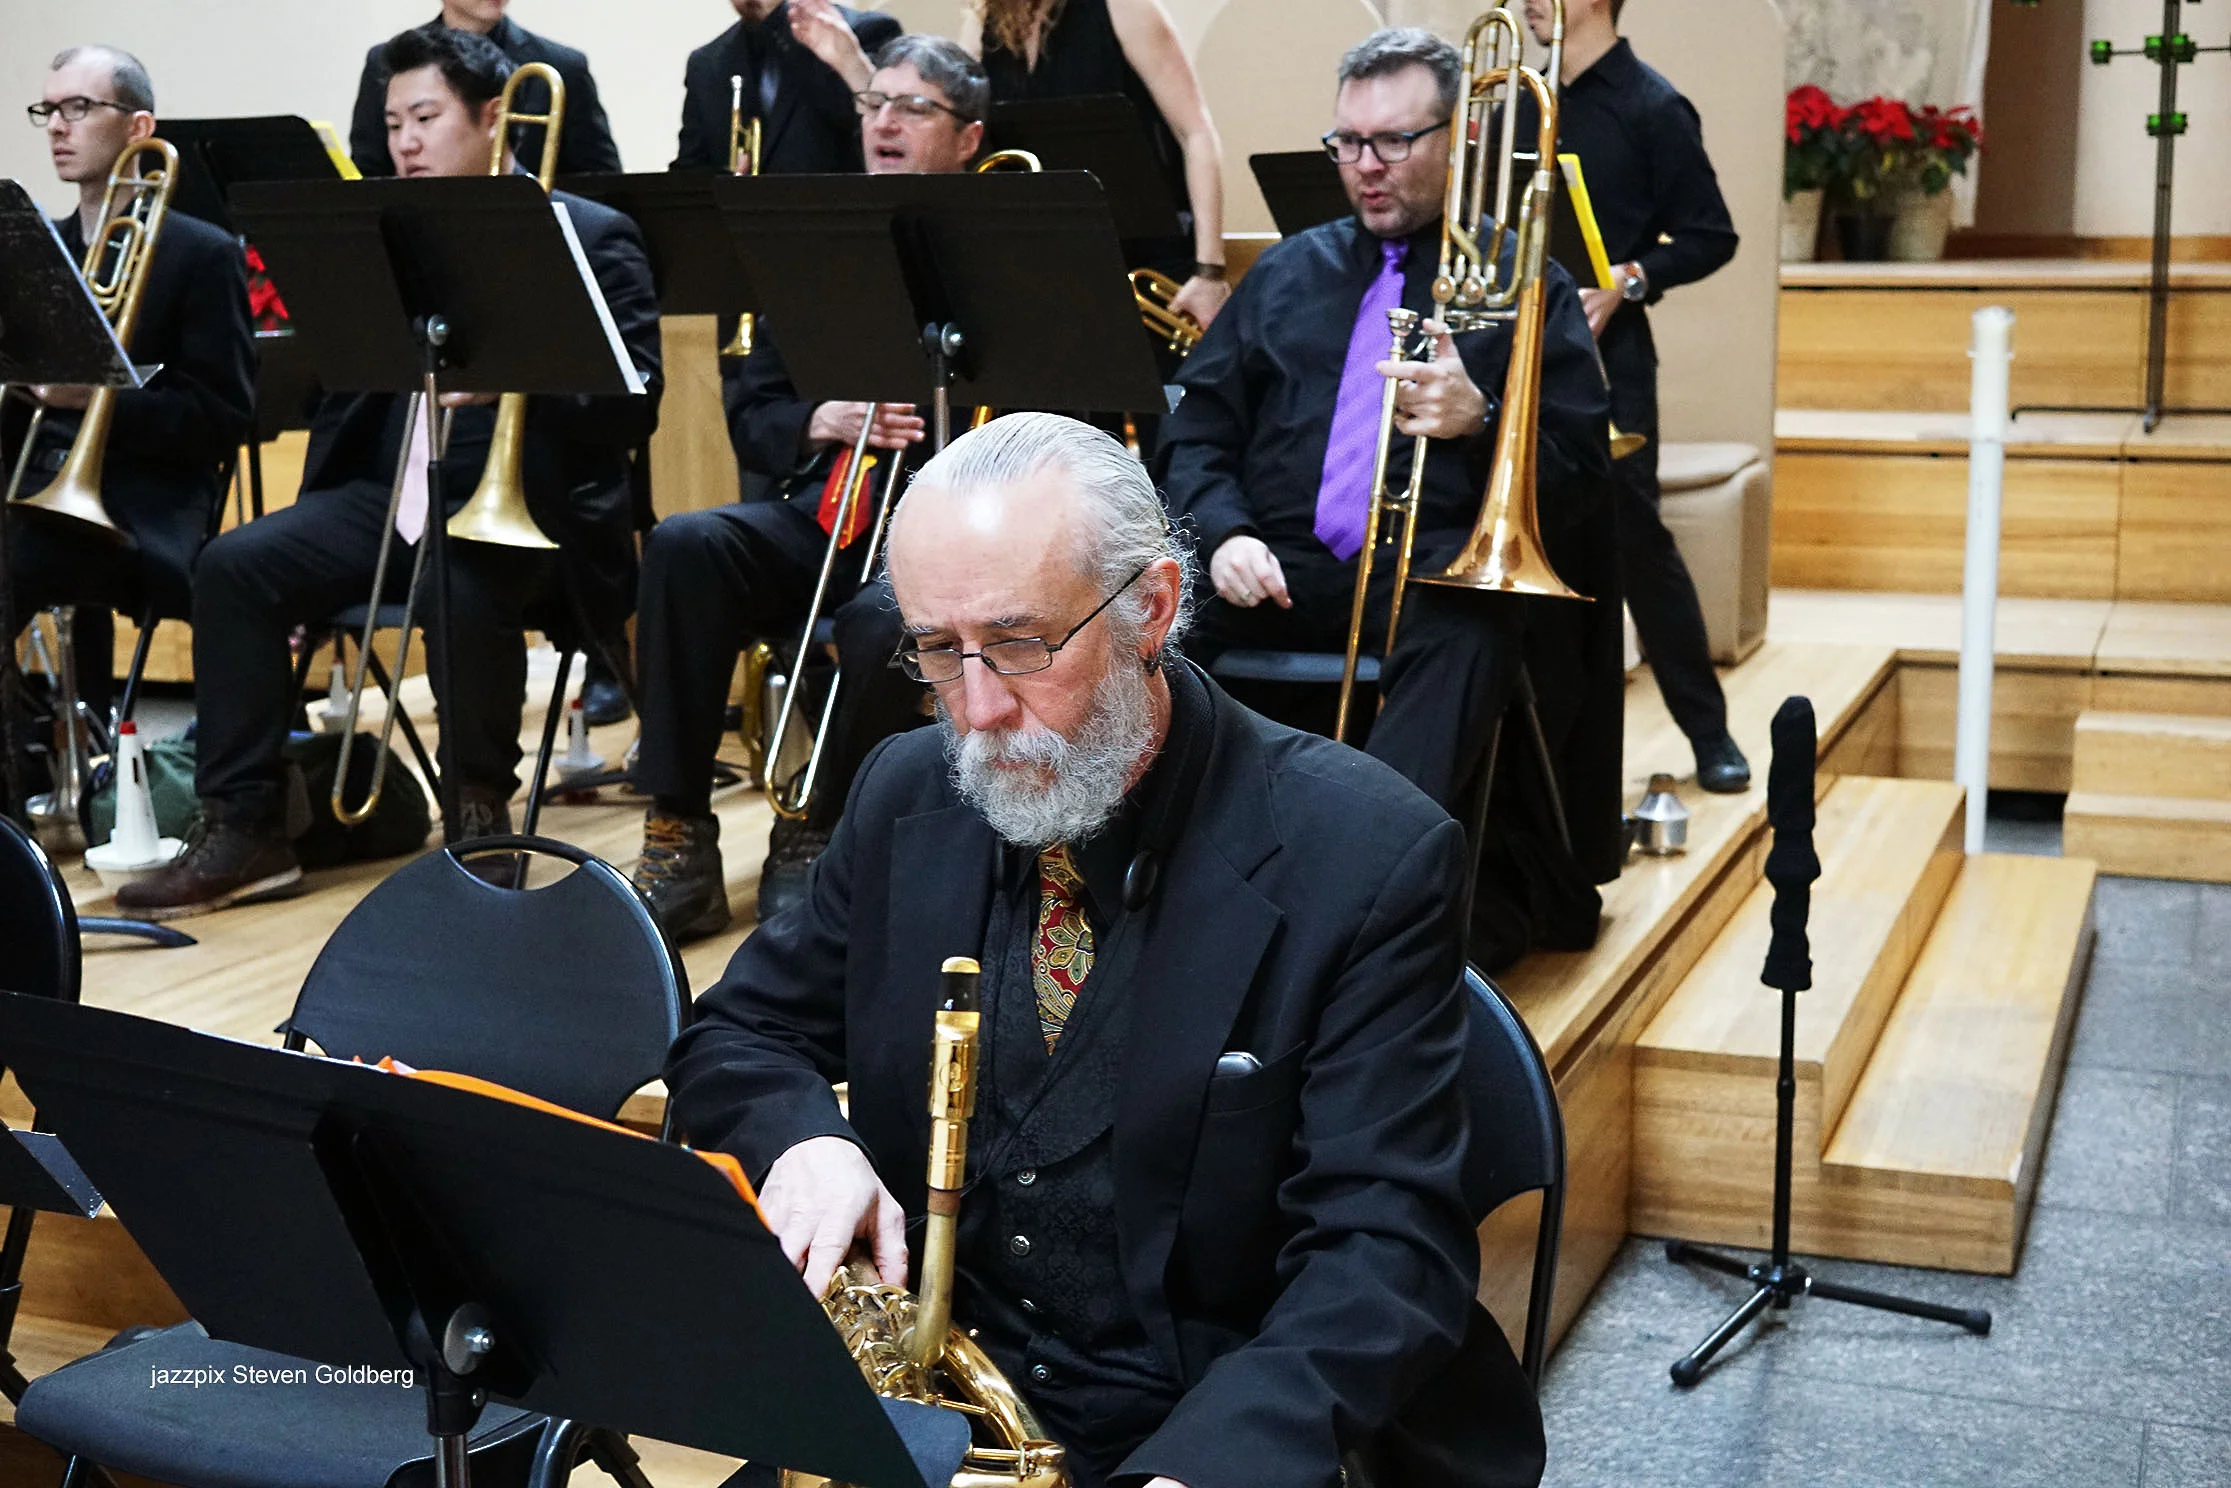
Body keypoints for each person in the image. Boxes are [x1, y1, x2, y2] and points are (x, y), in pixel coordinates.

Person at [665, 411, 1544, 1488]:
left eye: (1023, 644)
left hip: (1224, 1417)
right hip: (941, 1400)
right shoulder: (905, 787)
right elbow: (736, 1033)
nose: (978, 709)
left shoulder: (1368, 853)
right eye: (939, 651)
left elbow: (1380, 1255)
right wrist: (808, 1142)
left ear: (1152, 609)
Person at [117, 26, 662, 920]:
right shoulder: (381, 237)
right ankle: (244, 827)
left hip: (535, 511)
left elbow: (634, 404)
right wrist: (303, 533)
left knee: (460, 573)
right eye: (392, 122)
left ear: (493, 117)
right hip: (385, 498)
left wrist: (518, 378)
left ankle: (479, 824)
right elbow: (347, 399)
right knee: (236, 564)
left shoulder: (593, 234)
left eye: (425, 117)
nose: (404, 141)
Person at [1158, 27, 1623, 969]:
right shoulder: (1288, 272)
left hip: (1425, 576)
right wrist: (1223, 535)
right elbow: (1195, 431)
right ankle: (1153, 897)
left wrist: (1481, 417)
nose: (1365, 169)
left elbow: (1584, 481)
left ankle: (1358, 916)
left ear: (1457, 140)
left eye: (1393, 144)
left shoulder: (1526, 283)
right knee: (1139, 613)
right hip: (1274, 563)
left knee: (1471, 626)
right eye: (1346, 145)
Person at [630, 35, 982, 939]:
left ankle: (815, 821)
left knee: (878, 616)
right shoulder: (825, 243)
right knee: (686, 544)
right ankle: (679, 831)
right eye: (874, 106)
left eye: (912, 109)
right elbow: (755, 409)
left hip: (952, 531)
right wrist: (819, 418)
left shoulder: (1005, 249)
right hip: (829, 509)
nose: (885, 123)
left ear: (968, 138)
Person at [3, 46, 254, 751]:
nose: (57, 125)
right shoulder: (36, 248)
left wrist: (97, 399)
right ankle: (34, 743)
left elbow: (222, 419)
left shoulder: (202, 254)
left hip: (144, 508)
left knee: (8, 561)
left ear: (140, 127)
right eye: (48, 110)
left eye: (80, 108)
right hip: (37, 487)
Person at [1526, 0, 1749, 793]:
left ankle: (1708, 732)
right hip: (1511, 354)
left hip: (1607, 358)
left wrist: (1627, 281)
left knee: (1635, 545)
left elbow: (1709, 234)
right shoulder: (1519, 98)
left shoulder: (1651, 105)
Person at [963, 0, 1230, 336]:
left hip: (1148, 262)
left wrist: (1209, 273)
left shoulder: (1124, 8)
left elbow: (1196, 135)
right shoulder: (982, 25)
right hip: (1050, 267)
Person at [346, 0, 620, 179]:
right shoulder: (388, 62)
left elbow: (599, 179)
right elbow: (368, 172)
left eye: (426, 117)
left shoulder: (563, 65)